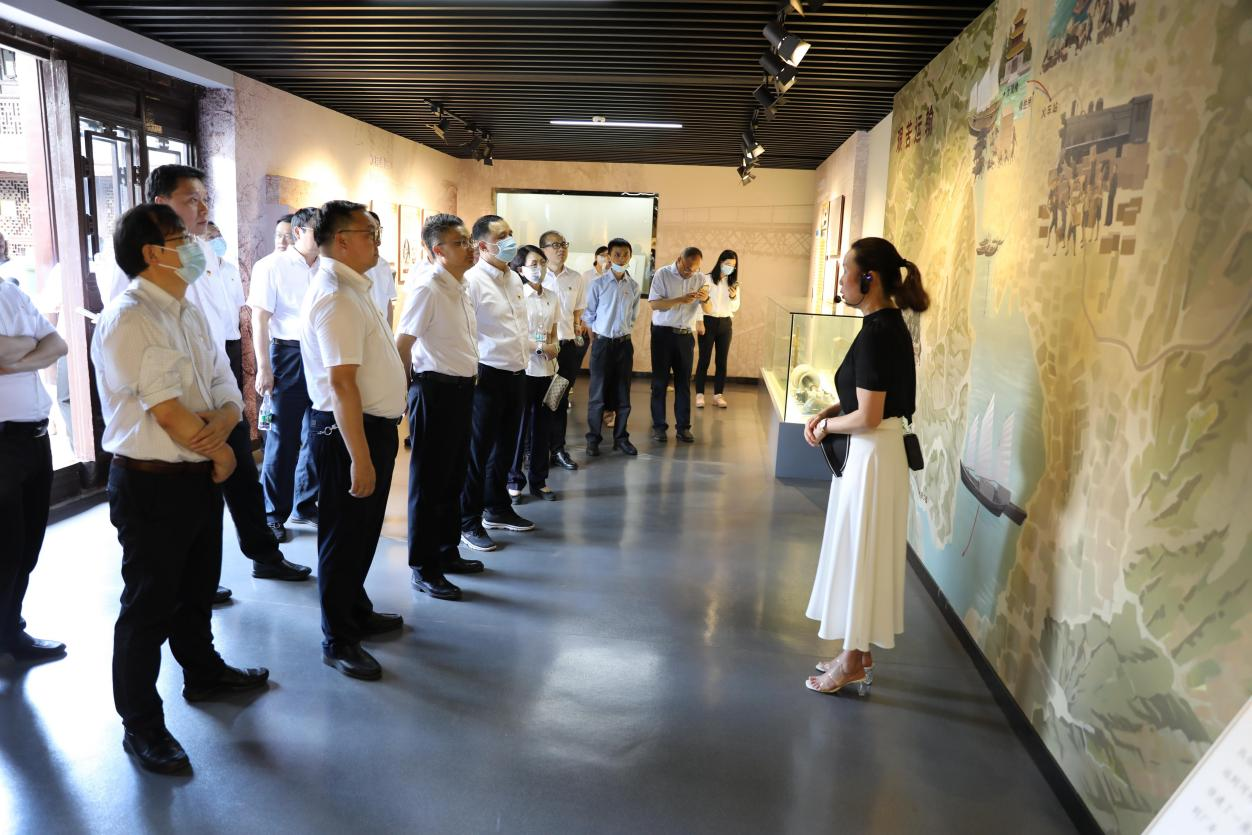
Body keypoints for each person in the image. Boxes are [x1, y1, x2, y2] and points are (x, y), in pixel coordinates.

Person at [92, 204, 270, 774]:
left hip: (196, 477)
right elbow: (167, 411)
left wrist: (227, 419)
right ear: (152, 253)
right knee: (148, 605)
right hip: (151, 482)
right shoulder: (131, 317)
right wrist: (223, 451)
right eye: (183, 239)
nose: (196, 246)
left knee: (197, 587)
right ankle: (141, 724)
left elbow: (223, 383)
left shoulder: (185, 309)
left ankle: (203, 671)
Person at [148, 166, 308, 587]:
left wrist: (233, 387)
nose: (203, 208)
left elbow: (226, 323)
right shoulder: (147, 257)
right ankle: (193, 579)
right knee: (193, 489)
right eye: (192, 200)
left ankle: (263, 555)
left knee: (242, 476)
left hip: (218, 371)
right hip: (178, 383)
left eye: (205, 199)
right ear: (162, 204)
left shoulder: (204, 252)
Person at [803, 237, 930, 696]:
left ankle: (853, 661)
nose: (841, 281)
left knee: (862, 552)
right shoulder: (884, 324)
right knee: (862, 550)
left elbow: (870, 415)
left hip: (873, 454)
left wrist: (827, 427)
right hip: (874, 453)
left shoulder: (879, 332)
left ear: (869, 278)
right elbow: (866, 395)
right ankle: (857, 652)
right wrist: (830, 411)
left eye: (846, 272)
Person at [300, 201, 407, 680]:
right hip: (348, 432)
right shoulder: (335, 296)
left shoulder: (353, 287)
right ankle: (338, 638)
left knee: (362, 532)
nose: (377, 242)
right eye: (370, 233)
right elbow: (341, 384)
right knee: (343, 538)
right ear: (341, 240)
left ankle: (356, 609)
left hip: (370, 427)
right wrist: (359, 459)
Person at [396, 213, 482, 602]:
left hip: (461, 391)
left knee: (453, 476)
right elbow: (403, 344)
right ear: (438, 250)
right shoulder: (428, 288)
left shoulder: (460, 285)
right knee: (429, 483)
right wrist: (403, 394)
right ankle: (424, 566)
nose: (470, 248)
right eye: (460, 243)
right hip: (433, 392)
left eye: (469, 241)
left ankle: (448, 551)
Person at [0, 277, 69, 663]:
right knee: (6, 549)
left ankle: (10, 630)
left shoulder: (10, 290)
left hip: (34, 436)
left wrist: (15, 358)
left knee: (27, 547)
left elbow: (57, 344)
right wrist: (31, 344)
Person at [459, 214, 536, 553]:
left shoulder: (515, 279)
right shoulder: (472, 281)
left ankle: (497, 508)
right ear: (482, 246)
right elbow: (466, 331)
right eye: (501, 237)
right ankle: (468, 520)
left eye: (510, 233)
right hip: (486, 373)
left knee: (505, 447)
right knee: (478, 452)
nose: (510, 241)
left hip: (517, 371)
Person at [249, 206, 321, 541]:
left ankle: (305, 503)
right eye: (318, 232)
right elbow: (259, 319)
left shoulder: (327, 267)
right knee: (282, 439)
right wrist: (264, 367)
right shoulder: (270, 266)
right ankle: (272, 514)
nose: (324, 238)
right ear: (298, 232)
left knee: (319, 434)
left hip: (321, 356)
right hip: (287, 355)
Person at [506, 245, 560, 502]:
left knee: (543, 427)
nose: (540, 268)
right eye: (533, 263)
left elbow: (554, 332)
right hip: (524, 369)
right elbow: (515, 334)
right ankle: (514, 479)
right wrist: (540, 348)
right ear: (520, 269)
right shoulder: (516, 296)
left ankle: (539, 480)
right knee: (519, 427)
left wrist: (555, 347)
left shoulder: (552, 296)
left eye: (542, 262)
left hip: (548, 371)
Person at [583, 238, 639, 457]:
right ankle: (593, 439)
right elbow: (589, 315)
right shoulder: (597, 284)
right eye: (617, 254)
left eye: (625, 255)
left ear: (630, 257)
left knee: (623, 394)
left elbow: (633, 317)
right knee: (597, 395)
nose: (621, 258)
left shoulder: (633, 286)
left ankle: (621, 438)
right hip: (603, 344)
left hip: (624, 345)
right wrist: (595, 341)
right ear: (609, 256)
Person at [648, 247, 709, 443]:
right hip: (663, 334)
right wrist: (680, 300)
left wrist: (705, 299)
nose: (690, 272)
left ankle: (683, 428)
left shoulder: (700, 278)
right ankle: (659, 427)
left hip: (685, 336)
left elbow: (708, 308)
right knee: (660, 383)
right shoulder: (663, 274)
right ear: (679, 260)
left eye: (695, 268)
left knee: (683, 384)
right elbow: (655, 304)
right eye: (688, 268)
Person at [541, 229, 587, 471]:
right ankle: (532, 450)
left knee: (558, 400)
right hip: (541, 350)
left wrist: (577, 330)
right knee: (537, 400)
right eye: (555, 245)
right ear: (543, 250)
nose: (561, 249)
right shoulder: (535, 276)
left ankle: (558, 449)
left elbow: (577, 310)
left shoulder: (575, 278)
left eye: (564, 244)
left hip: (566, 347)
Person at [694, 249, 741, 409]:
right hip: (708, 321)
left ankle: (718, 395)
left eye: (733, 266)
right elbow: (699, 302)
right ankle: (699, 394)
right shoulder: (706, 279)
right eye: (727, 264)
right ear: (720, 262)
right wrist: (699, 321)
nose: (730, 268)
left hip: (725, 324)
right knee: (704, 359)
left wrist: (733, 297)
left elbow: (735, 308)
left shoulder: (733, 284)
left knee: (721, 361)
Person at [583, 246, 615, 428]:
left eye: (608, 256)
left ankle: (609, 411)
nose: (606, 259)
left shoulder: (616, 277)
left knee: (611, 376)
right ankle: (596, 415)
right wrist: (592, 337)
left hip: (611, 334)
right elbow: (586, 309)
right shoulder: (587, 277)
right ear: (596, 257)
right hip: (591, 331)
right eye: (603, 255)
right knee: (598, 377)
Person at [364, 210, 397, 324]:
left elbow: (388, 302)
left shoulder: (384, 265)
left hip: (382, 329)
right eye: (371, 231)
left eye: (378, 230)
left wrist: (390, 331)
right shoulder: (353, 266)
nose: (376, 235)